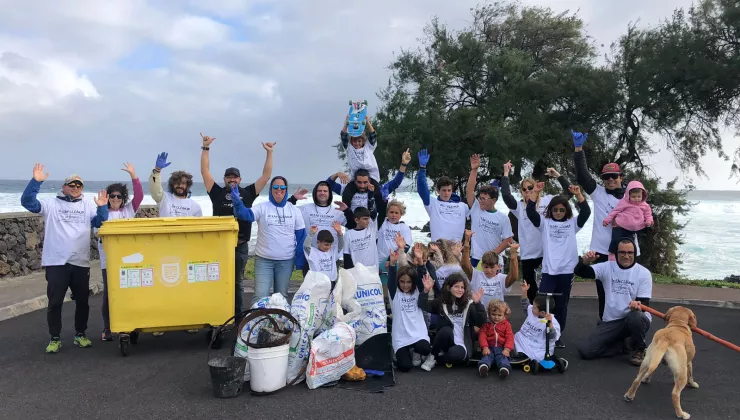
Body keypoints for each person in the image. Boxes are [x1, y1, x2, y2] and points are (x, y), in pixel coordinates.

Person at [21, 164, 109, 353]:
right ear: (64, 187)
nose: (75, 188)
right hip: (56, 262)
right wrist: (36, 181)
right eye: (72, 185)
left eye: (79, 186)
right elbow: (28, 202)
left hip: (80, 262)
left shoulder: (88, 205)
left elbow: (100, 223)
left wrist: (102, 208)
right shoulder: (51, 204)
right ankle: (55, 338)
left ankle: (80, 334)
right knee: (55, 302)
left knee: (83, 302)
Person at [200, 134, 288, 317]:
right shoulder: (216, 192)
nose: (232, 180)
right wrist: (206, 148)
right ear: (225, 179)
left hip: (240, 245)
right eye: (229, 177)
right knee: (217, 281)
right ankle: (219, 315)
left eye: (235, 178)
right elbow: (205, 172)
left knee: (238, 283)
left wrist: (269, 153)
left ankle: (238, 316)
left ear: (240, 180)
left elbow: (266, 176)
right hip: (219, 246)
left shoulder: (248, 193)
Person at [571, 129, 638, 320]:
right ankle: (605, 328)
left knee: (627, 293)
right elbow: (583, 176)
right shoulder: (598, 193)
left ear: (621, 178)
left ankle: (627, 334)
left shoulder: (631, 197)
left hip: (626, 251)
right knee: (604, 293)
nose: (610, 180)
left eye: (614, 177)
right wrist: (578, 149)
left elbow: (643, 221)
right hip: (601, 252)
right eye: (606, 177)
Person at [525, 185, 591, 348]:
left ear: (566, 211)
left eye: (562, 210)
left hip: (567, 271)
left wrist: (578, 195)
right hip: (548, 271)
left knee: (561, 305)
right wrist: (536, 193)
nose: (558, 213)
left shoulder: (572, 223)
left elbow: (586, 213)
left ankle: (557, 334)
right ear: (550, 210)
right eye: (555, 210)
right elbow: (530, 212)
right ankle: (541, 331)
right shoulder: (544, 223)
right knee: (543, 303)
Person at [501, 160, 572, 303]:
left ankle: (551, 320)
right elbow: (506, 195)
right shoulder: (519, 207)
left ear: (536, 188)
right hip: (528, 256)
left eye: (530, 187)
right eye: (524, 189)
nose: (528, 191)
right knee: (531, 292)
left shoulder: (548, 201)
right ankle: (534, 322)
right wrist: (506, 173)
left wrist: (557, 175)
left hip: (546, 254)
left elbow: (568, 192)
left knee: (550, 293)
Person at [575, 238, 653, 366]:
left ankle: (639, 348)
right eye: (622, 252)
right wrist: (585, 262)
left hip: (633, 319)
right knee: (585, 351)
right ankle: (621, 345)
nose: (626, 256)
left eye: (630, 253)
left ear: (634, 254)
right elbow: (580, 271)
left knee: (635, 317)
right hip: (611, 322)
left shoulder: (643, 274)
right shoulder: (607, 267)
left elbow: (645, 305)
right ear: (616, 254)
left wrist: (637, 306)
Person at [231, 176, 306, 305]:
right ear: (271, 189)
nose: (279, 190)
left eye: (282, 187)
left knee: (281, 297)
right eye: (275, 187)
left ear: (286, 190)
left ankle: (278, 323)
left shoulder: (294, 210)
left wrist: (299, 259)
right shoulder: (263, 207)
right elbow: (246, 215)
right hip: (264, 260)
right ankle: (258, 323)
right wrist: (237, 202)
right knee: (260, 296)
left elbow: (301, 236)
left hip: (286, 261)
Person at [98, 162, 143, 341]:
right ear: (108, 197)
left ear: (123, 198)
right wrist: (101, 206)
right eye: (112, 196)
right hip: (108, 262)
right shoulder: (102, 213)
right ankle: (107, 328)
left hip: (129, 261)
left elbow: (139, 196)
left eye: (119, 196)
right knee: (109, 296)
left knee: (130, 293)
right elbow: (98, 226)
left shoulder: (129, 211)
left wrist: (134, 176)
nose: (115, 199)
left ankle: (131, 326)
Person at [418, 272, 486, 370]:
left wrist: (478, 303)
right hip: (447, 339)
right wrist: (426, 291)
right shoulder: (442, 302)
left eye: (462, 287)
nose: (460, 290)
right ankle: (432, 356)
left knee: (454, 356)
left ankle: (439, 357)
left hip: (462, 343)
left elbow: (481, 321)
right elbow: (424, 305)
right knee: (446, 330)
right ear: (449, 287)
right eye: (456, 286)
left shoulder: (469, 304)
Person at [331, 149, 410, 230]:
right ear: (354, 181)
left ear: (370, 181)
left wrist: (403, 164)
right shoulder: (346, 190)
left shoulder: (379, 190)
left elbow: (396, 183)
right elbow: (328, 185)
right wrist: (337, 174)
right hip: (353, 228)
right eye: (359, 182)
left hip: (372, 228)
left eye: (365, 182)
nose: (362, 185)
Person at [387, 251, 433, 372]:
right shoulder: (394, 293)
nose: (405, 285)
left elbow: (422, 277)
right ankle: (402, 351)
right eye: (402, 282)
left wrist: (421, 263)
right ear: (398, 282)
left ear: (413, 282)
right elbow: (391, 280)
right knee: (405, 367)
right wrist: (392, 264)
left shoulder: (417, 290)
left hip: (417, 333)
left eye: (408, 282)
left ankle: (416, 350)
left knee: (425, 348)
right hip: (401, 336)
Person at [465, 154, 513, 268]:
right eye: (480, 198)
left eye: (484, 199)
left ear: (494, 200)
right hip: (476, 258)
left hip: (494, 260)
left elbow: (508, 239)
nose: (480, 201)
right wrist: (474, 170)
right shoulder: (476, 208)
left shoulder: (503, 218)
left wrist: (492, 254)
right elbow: (470, 190)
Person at [296, 179, 350, 276]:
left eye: (325, 191)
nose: (322, 193)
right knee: (311, 288)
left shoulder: (337, 210)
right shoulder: (305, 208)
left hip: (331, 255)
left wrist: (347, 211)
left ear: (329, 193)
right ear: (315, 193)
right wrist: (294, 199)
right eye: (319, 191)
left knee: (330, 286)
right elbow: (285, 210)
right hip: (311, 255)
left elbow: (353, 224)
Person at [417, 149, 470, 242]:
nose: (446, 193)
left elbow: (478, 211)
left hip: (455, 250)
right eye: (444, 190)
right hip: (437, 248)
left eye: (449, 190)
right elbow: (422, 189)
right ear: (438, 190)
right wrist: (422, 168)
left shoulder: (463, 206)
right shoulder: (432, 204)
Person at [461, 230, 519, 311]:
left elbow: (514, 276)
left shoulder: (502, 278)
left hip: (497, 315)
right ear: (482, 266)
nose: (489, 270)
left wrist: (513, 255)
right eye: (486, 267)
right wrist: (467, 242)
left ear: (498, 266)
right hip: (479, 314)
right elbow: (465, 265)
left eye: (492, 267)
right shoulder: (476, 275)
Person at [514, 281, 567, 369]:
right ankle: (522, 356)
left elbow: (552, 337)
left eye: (534, 307)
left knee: (541, 357)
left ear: (542, 313)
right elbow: (525, 304)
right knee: (512, 340)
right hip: (524, 339)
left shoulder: (552, 321)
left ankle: (557, 361)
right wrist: (524, 291)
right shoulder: (532, 312)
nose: (532, 307)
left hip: (538, 346)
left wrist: (549, 324)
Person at [603, 181, 654, 260]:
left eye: (639, 196)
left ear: (642, 195)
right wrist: (607, 220)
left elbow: (648, 215)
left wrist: (649, 221)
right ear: (628, 195)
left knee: (628, 245)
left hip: (632, 230)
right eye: (634, 197)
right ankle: (612, 257)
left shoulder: (645, 205)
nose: (636, 199)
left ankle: (628, 261)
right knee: (616, 241)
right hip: (620, 225)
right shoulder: (624, 202)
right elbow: (615, 211)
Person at [340, 114, 381, 201]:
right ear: (351, 141)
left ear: (363, 141)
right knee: (347, 193)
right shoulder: (349, 148)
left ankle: (381, 212)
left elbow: (373, 135)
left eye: (359, 141)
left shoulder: (368, 147)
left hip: (371, 176)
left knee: (378, 193)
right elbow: (343, 135)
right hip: (356, 177)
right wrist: (346, 124)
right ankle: (345, 212)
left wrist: (368, 122)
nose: (357, 143)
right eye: (355, 141)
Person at [149, 152, 202, 217]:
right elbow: (154, 187)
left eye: (183, 183)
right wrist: (157, 170)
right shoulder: (164, 198)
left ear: (187, 185)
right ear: (172, 184)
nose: (180, 186)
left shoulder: (195, 207)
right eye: (177, 183)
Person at [376, 199, 412, 283]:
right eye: (391, 212)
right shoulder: (382, 223)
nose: (393, 215)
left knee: (394, 284)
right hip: (378, 260)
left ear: (401, 214)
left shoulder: (404, 227)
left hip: (395, 261)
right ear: (387, 213)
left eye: (396, 213)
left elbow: (406, 246)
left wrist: (390, 259)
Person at [478, 299, 514, 379]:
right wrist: (484, 347)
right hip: (489, 347)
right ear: (489, 314)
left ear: (504, 315)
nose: (496, 317)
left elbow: (510, 337)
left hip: (502, 348)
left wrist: (507, 349)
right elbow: (482, 336)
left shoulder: (506, 325)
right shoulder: (486, 325)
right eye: (493, 314)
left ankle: (504, 369)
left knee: (502, 357)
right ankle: (484, 367)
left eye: (499, 315)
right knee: (487, 356)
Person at [303, 222, 344, 286]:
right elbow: (306, 246)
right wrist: (311, 234)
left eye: (330, 245)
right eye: (326, 245)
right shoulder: (313, 252)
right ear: (318, 242)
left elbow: (341, 245)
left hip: (331, 281)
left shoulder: (332, 251)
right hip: (318, 282)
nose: (328, 247)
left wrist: (339, 233)